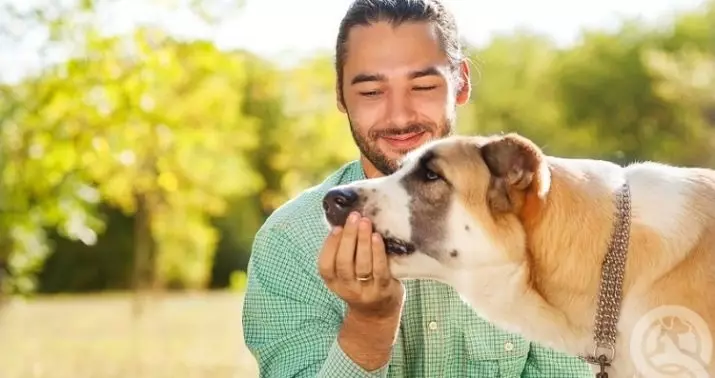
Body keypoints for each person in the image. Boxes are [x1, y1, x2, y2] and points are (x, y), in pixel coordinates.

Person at [241, 0, 593, 376]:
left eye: (422, 85)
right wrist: (369, 324)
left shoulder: (548, 227)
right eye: (372, 91)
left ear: (461, 82)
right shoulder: (290, 243)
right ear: (341, 95)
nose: (400, 116)